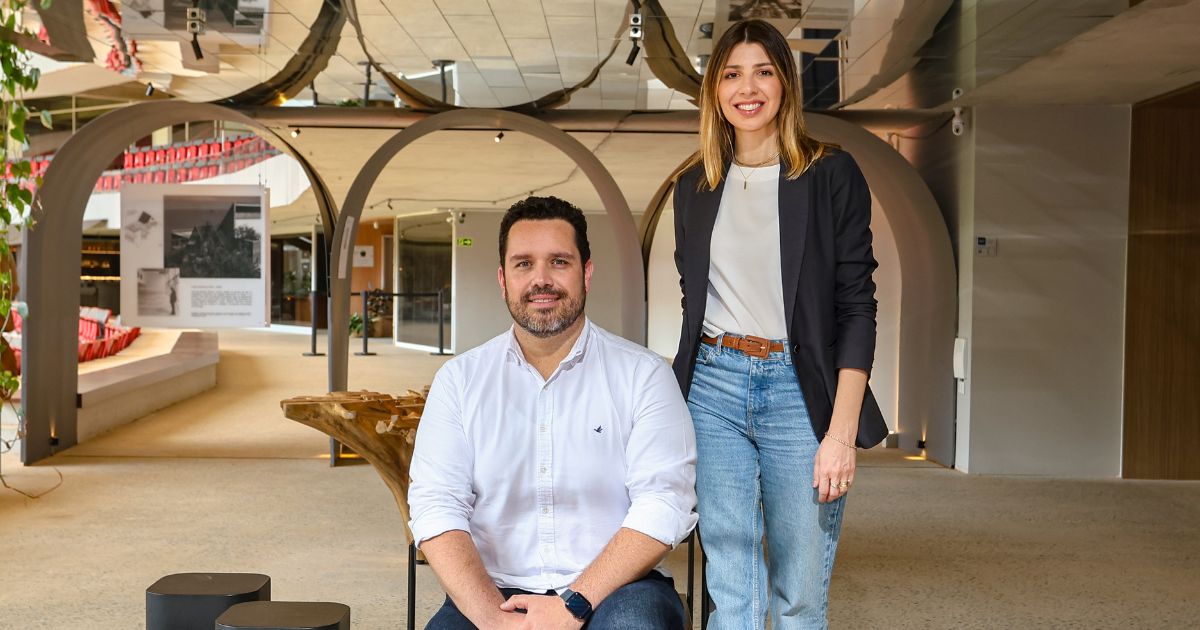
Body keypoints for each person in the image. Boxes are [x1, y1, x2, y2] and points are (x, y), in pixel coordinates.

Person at [670, 19, 888, 630]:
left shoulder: (830, 174)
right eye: (732, 74)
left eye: (763, 72)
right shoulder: (694, 185)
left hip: (799, 388)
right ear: (714, 90)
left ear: (786, 84)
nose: (748, 88)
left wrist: (840, 433)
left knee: (799, 591)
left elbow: (857, 304)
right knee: (732, 585)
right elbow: (693, 296)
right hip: (712, 386)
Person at [409, 196, 698, 629]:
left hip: (619, 587)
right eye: (524, 264)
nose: (540, 279)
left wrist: (573, 605)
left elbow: (665, 501)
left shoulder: (644, 375)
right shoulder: (460, 381)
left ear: (587, 273)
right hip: (495, 590)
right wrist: (493, 620)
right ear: (503, 279)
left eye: (559, 262)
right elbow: (436, 505)